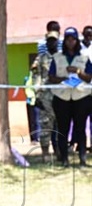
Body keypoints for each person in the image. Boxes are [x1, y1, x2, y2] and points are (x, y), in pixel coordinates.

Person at [48, 27, 92, 167]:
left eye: (73, 39)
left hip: (81, 97)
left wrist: (78, 72)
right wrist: (62, 78)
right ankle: (65, 159)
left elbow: (89, 77)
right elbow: (51, 77)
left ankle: (82, 158)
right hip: (62, 98)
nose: (70, 42)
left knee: (80, 128)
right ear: (65, 41)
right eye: (68, 39)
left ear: (76, 40)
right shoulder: (57, 57)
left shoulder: (84, 58)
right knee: (63, 129)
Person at [35, 29, 60, 162]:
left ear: (58, 41)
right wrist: (37, 95)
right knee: (45, 126)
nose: (52, 43)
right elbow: (36, 76)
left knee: (61, 125)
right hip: (45, 98)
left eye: (54, 40)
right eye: (49, 40)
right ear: (46, 42)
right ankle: (45, 154)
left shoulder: (63, 57)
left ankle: (59, 152)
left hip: (61, 97)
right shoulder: (41, 58)